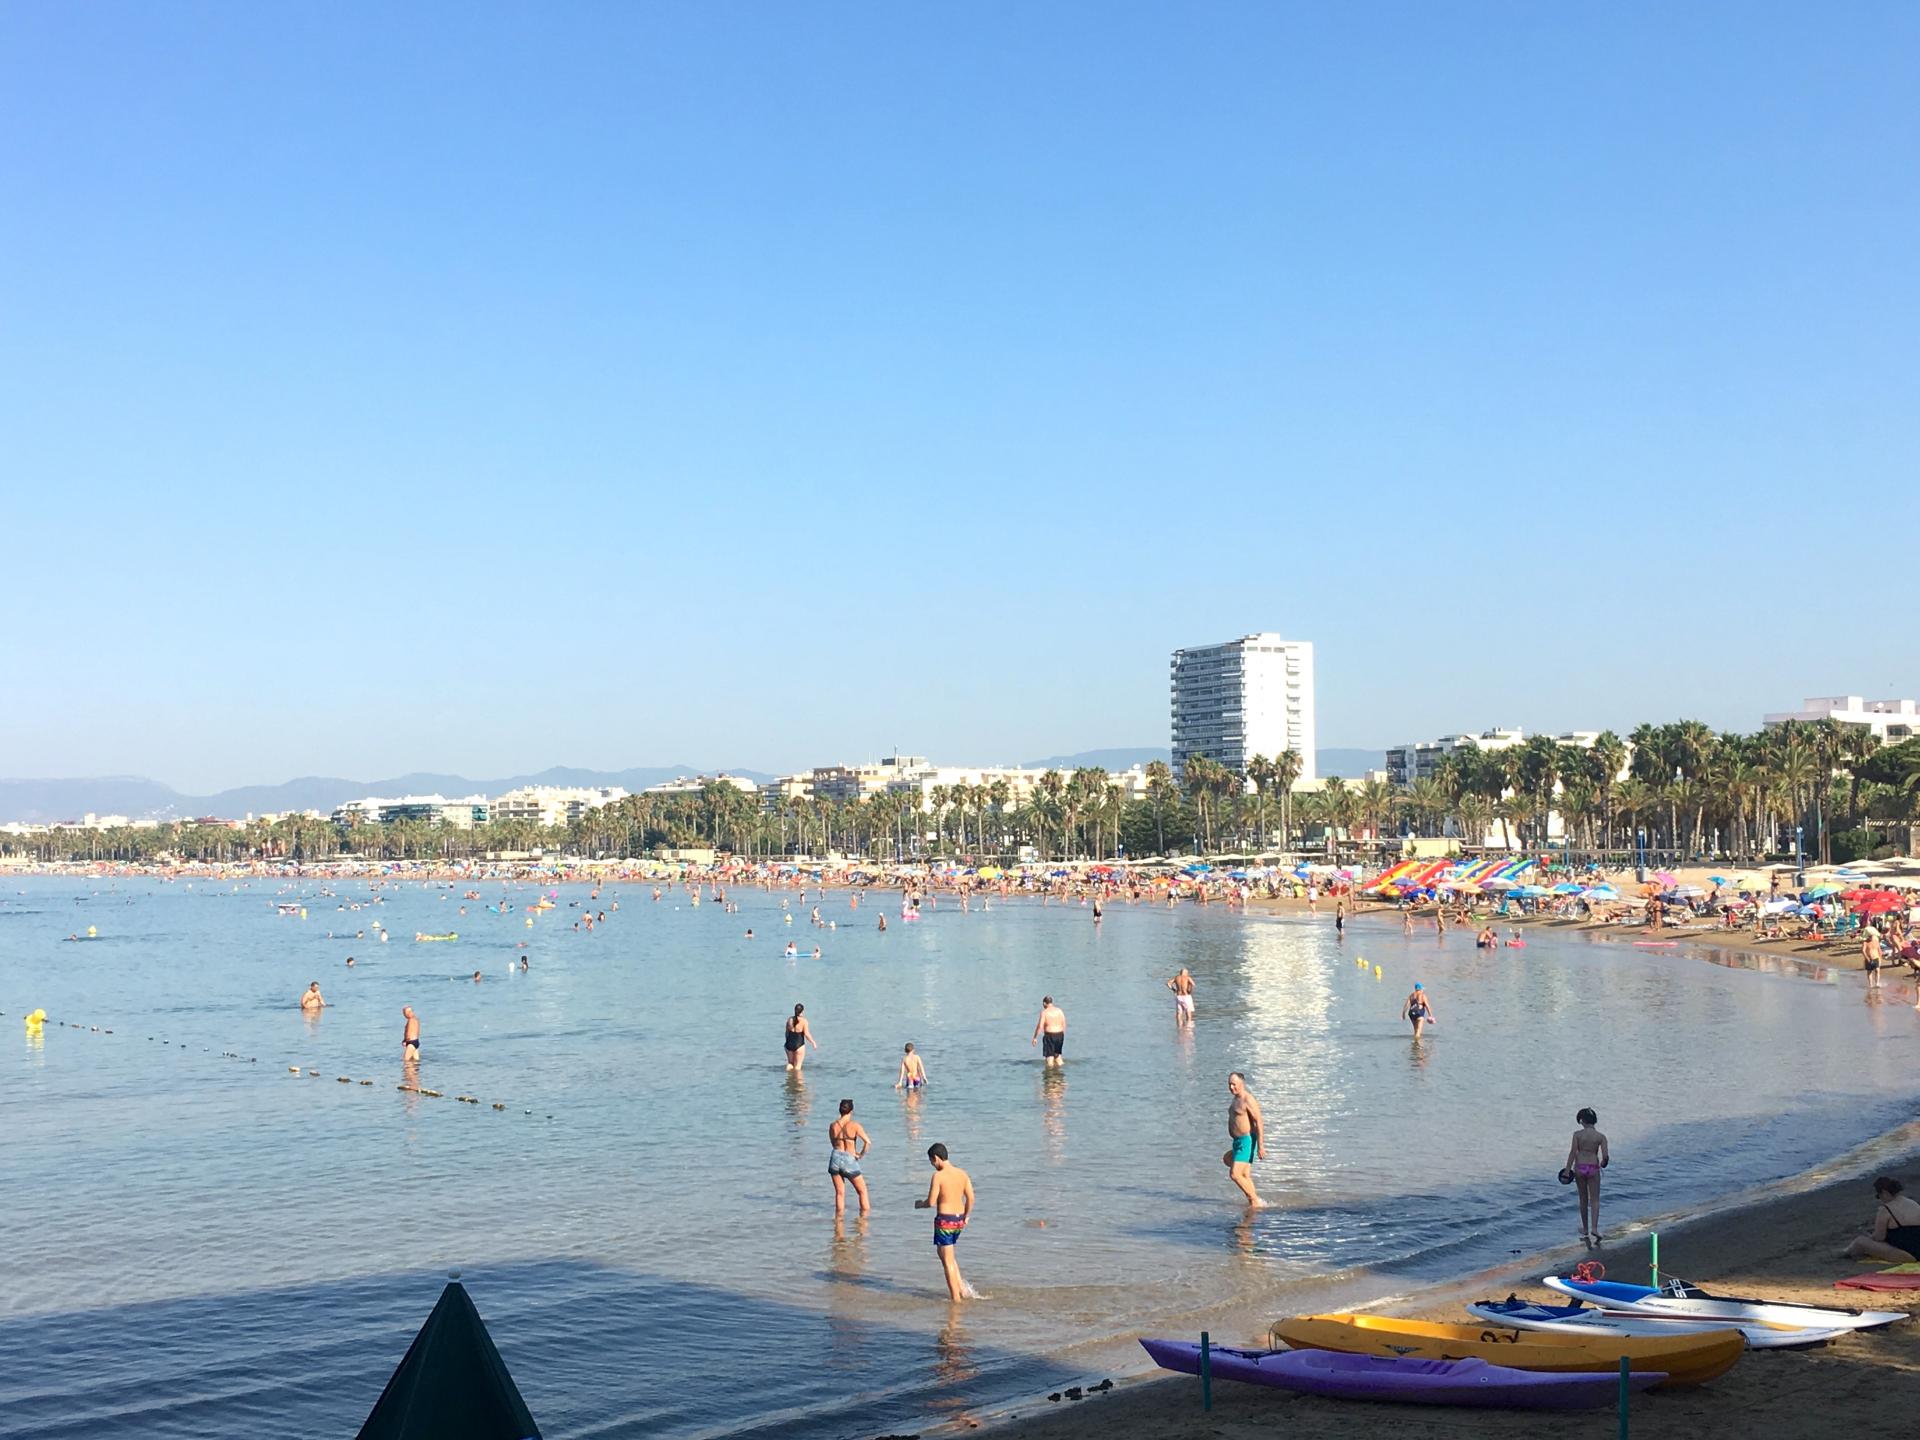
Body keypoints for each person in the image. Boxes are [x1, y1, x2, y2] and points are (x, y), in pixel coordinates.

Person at [916, 1142, 976, 1301]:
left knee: (947, 1261)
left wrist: (920, 1204)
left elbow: (931, 1202)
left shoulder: (938, 1176)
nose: (932, 1165)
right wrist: (966, 1215)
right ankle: (961, 1288)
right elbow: (971, 1198)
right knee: (946, 1254)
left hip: (945, 1221)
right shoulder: (962, 1174)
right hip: (958, 1220)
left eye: (932, 1161)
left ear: (936, 1158)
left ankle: (955, 1299)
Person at [1842, 1176, 1920, 1263]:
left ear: (1884, 1193)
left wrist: (1871, 1236)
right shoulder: (1913, 1203)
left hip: (1907, 1254)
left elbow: (1879, 1238)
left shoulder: (1885, 1210)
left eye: (1879, 1196)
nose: (1880, 1199)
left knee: (1860, 1241)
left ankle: (1845, 1252)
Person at [1566, 1107, 1609, 1245]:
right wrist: (1603, 1163)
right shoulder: (1600, 1137)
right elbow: (1605, 1156)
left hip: (1580, 1167)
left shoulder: (1577, 1135)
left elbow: (1573, 1152)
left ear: (1582, 1121)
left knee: (1583, 1199)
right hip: (1593, 1168)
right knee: (1595, 1199)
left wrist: (1567, 1170)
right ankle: (1594, 1228)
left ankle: (1585, 1229)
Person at [1223, 1071, 1267, 1207]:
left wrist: (1260, 1146)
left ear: (1242, 1083)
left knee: (1235, 1174)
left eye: (1234, 1084)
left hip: (1247, 1141)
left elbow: (1259, 1122)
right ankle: (1254, 1203)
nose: (1231, 1087)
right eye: (1229, 1085)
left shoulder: (1248, 1099)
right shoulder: (1235, 1099)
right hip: (1237, 1142)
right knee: (1241, 1172)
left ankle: (1255, 1200)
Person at [828, 1099, 872, 1216]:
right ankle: (864, 1219)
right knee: (862, 1191)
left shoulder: (833, 1126)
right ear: (851, 1111)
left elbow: (833, 1143)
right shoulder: (855, 1125)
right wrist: (860, 1154)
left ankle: (839, 1219)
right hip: (849, 1158)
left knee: (839, 1193)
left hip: (835, 1157)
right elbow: (867, 1142)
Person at [1031, 996, 1066, 1065]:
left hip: (1050, 1036)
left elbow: (1040, 1026)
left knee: (1050, 1059)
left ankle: (1050, 1071)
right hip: (1060, 1035)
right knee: (1058, 1057)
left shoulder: (1044, 1012)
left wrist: (1035, 1037)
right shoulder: (1059, 1011)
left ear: (1044, 1003)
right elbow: (1064, 1024)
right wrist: (1061, 1035)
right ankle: (1061, 1070)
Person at [784, 1003, 818, 1070]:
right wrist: (813, 1042)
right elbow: (806, 1034)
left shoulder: (789, 1019)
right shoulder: (804, 1021)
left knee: (790, 1063)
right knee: (798, 1066)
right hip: (799, 1044)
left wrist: (787, 1042)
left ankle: (787, 1074)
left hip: (788, 1044)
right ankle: (796, 1076)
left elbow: (786, 1033)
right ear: (802, 1011)